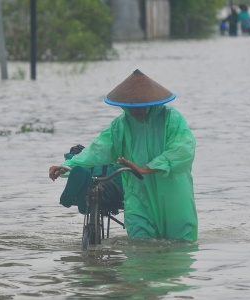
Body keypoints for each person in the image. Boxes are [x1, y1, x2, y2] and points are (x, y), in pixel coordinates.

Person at [49, 69, 198, 241]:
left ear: (151, 103)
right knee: (139, 248)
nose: (135, 111)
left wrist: (147, 168)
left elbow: (183, 149)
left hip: (172, 195)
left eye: (140, 106)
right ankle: (84, 187)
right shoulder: (120, 125)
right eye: (130, 107)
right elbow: (97, 149)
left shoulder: (171, 119)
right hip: (138, 195)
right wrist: (67, 166)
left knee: (179, 251)